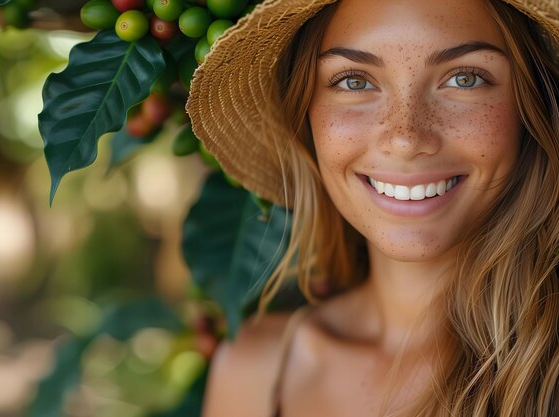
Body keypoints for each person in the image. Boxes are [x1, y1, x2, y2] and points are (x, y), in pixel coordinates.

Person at [186, 0, 559, 415]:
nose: (404, 138)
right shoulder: (253, 368)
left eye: (465, 78)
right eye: (354, 82)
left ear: (533, 105)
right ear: (304, 116)